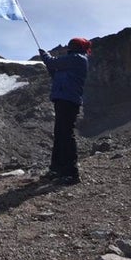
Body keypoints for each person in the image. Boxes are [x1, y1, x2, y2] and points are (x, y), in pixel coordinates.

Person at [38, 37, 92, 185]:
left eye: (72, 44)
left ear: (77, 47)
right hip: (63, 99)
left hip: (68, 100)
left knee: (66, 134)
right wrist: (49, 65)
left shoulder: (78, 58)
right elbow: (56, 75)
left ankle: (71, 172)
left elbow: (52, 62)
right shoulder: (72, 60)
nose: (69, 46)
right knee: (60, 134)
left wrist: (45, 56)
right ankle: (56, 169)